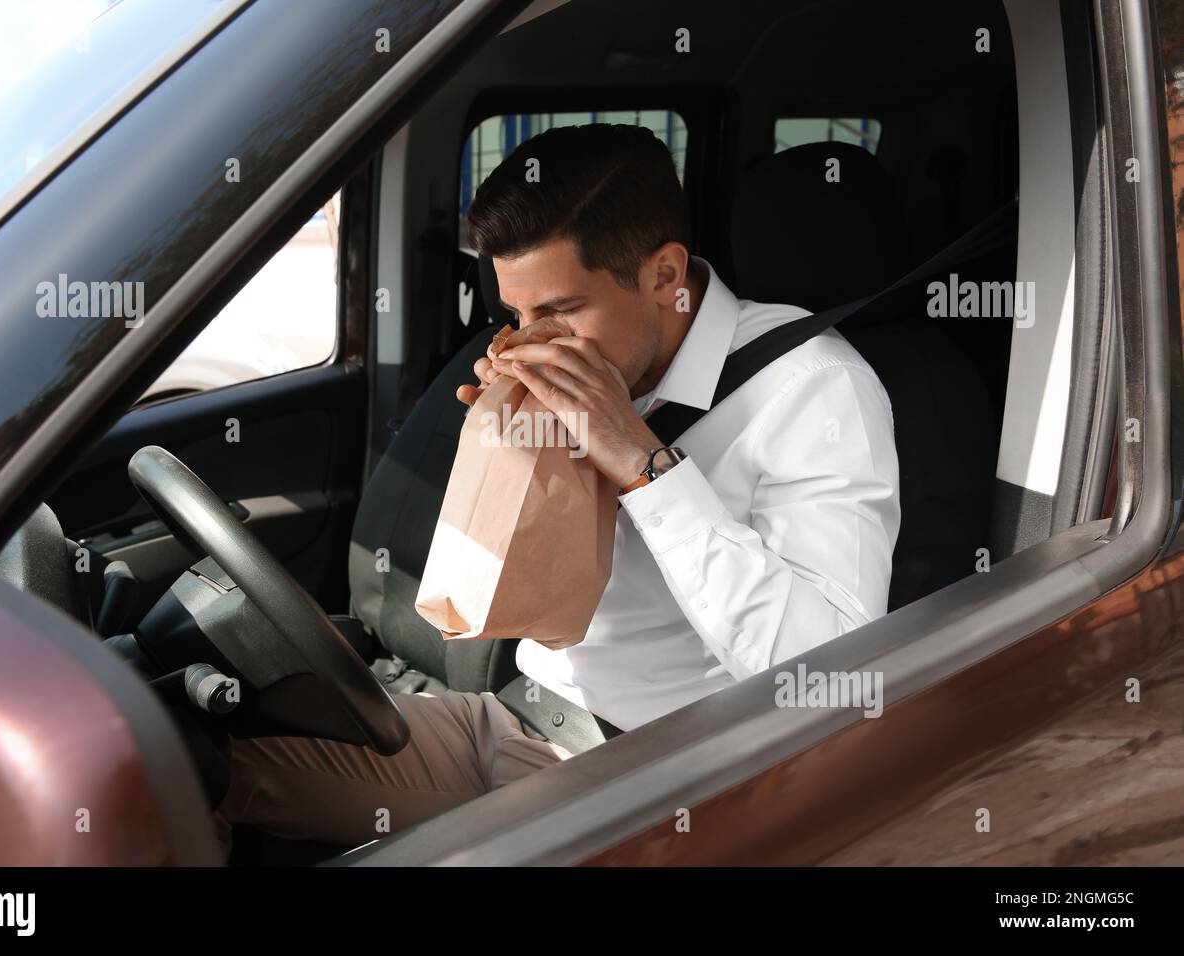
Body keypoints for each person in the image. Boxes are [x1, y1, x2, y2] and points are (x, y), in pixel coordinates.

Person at [213, 124, 900, 852]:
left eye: (561, 313)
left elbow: (831, 675)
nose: (532, 340)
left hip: (656, 775)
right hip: (514, 719)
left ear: (665, 277)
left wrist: (645, 465)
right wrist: (511, 446)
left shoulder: (813, 389)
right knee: (194, 772)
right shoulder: (592, 363)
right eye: (517, 315)